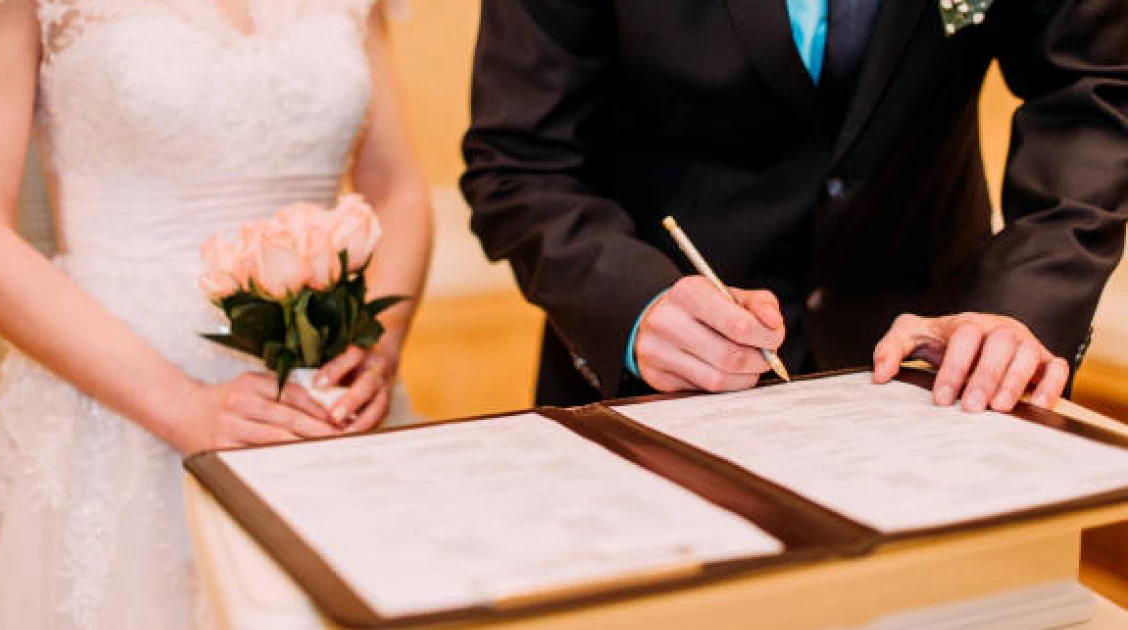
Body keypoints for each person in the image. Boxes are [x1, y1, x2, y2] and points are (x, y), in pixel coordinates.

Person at [0, 0, 431, 627]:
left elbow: (399, 190)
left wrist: (377, 346)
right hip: (116, 409)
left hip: (324, 405)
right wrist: (181, 405)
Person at [461, 0, 1125, 412]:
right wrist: (632, 307)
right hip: (654, 403)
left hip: (937, 385)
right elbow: (521, 162)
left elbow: (1092, 99)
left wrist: (1020, 306)